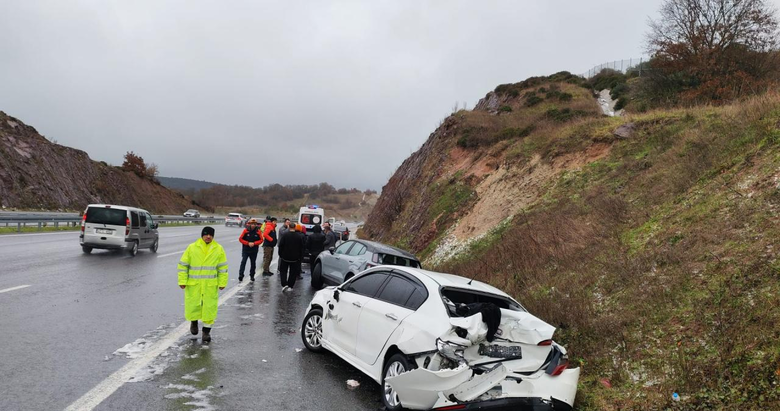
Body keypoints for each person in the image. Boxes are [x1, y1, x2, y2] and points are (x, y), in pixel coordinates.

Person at [178, 226, 228, 343]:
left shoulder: (218, 249)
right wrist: (182, 281)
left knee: (209, 308)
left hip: (210, 285)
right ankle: (194, 322)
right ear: (202, 235)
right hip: (194, 285)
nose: (208, 237)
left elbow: (222, 268)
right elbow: (183, 265)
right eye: (206, 234)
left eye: (210, 235)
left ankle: (206, 332)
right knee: (193, 306)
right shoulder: (192, 248)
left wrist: (222, 282)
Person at [278, 222, 305, 292]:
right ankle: (290, 285)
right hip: (295, 258)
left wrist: (280, 254)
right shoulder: (298, 236)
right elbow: (301, 247)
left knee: (283, 271)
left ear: (289, 227)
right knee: (293, 272)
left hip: (285, 257)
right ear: (295, 227)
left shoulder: (285, 235)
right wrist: (300, 257)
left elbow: (281, 245)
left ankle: (284, 283)